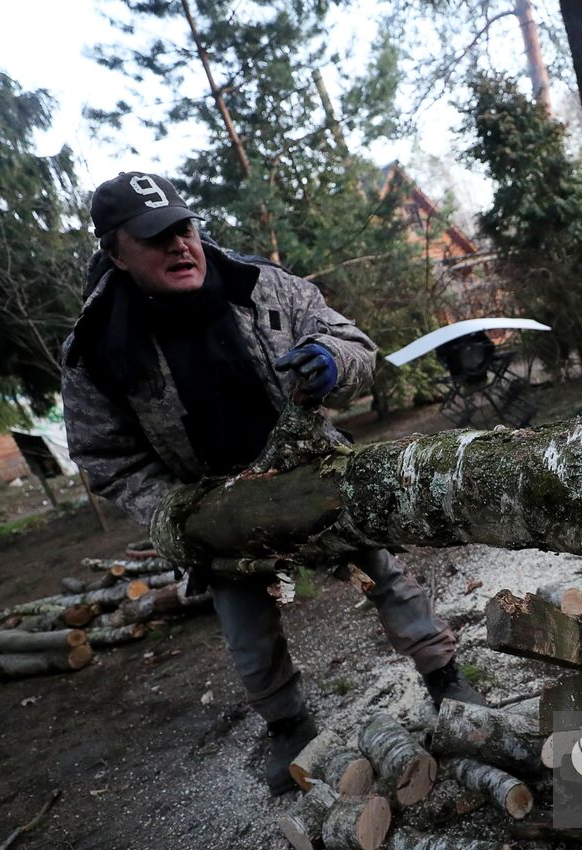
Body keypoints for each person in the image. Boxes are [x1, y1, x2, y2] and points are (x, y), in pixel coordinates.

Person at [61, 172, 488, 795]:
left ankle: (444, 676)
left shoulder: (261, 286)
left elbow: (355, 344)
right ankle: (289, 726)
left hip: (311, 475)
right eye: (156, 237)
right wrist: (177, 514)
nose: (181, 245)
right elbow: (104, 456)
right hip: (214, 506)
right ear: (116, 253)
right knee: (246, 630)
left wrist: (331, 361)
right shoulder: (97, 348)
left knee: (386, 576)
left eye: (185, 228)